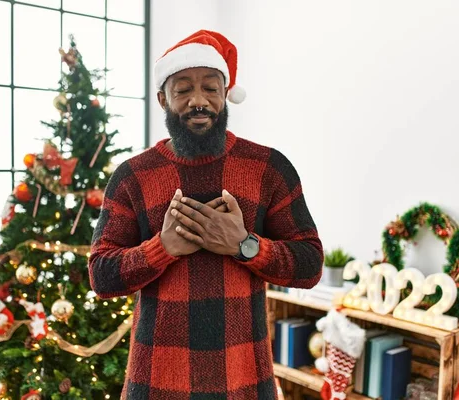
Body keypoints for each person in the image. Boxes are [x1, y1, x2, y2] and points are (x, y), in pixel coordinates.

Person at [88, 30, 323, 399]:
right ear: (163, 98)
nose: (199, 100)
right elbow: (101, 276)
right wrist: (161, 248)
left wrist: (244, 245)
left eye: (211, 88)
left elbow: (310, 265)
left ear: (226, 94)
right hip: (156, 384)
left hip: (244, 382)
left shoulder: (269, 167)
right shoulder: (133, 175)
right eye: (183, 90)